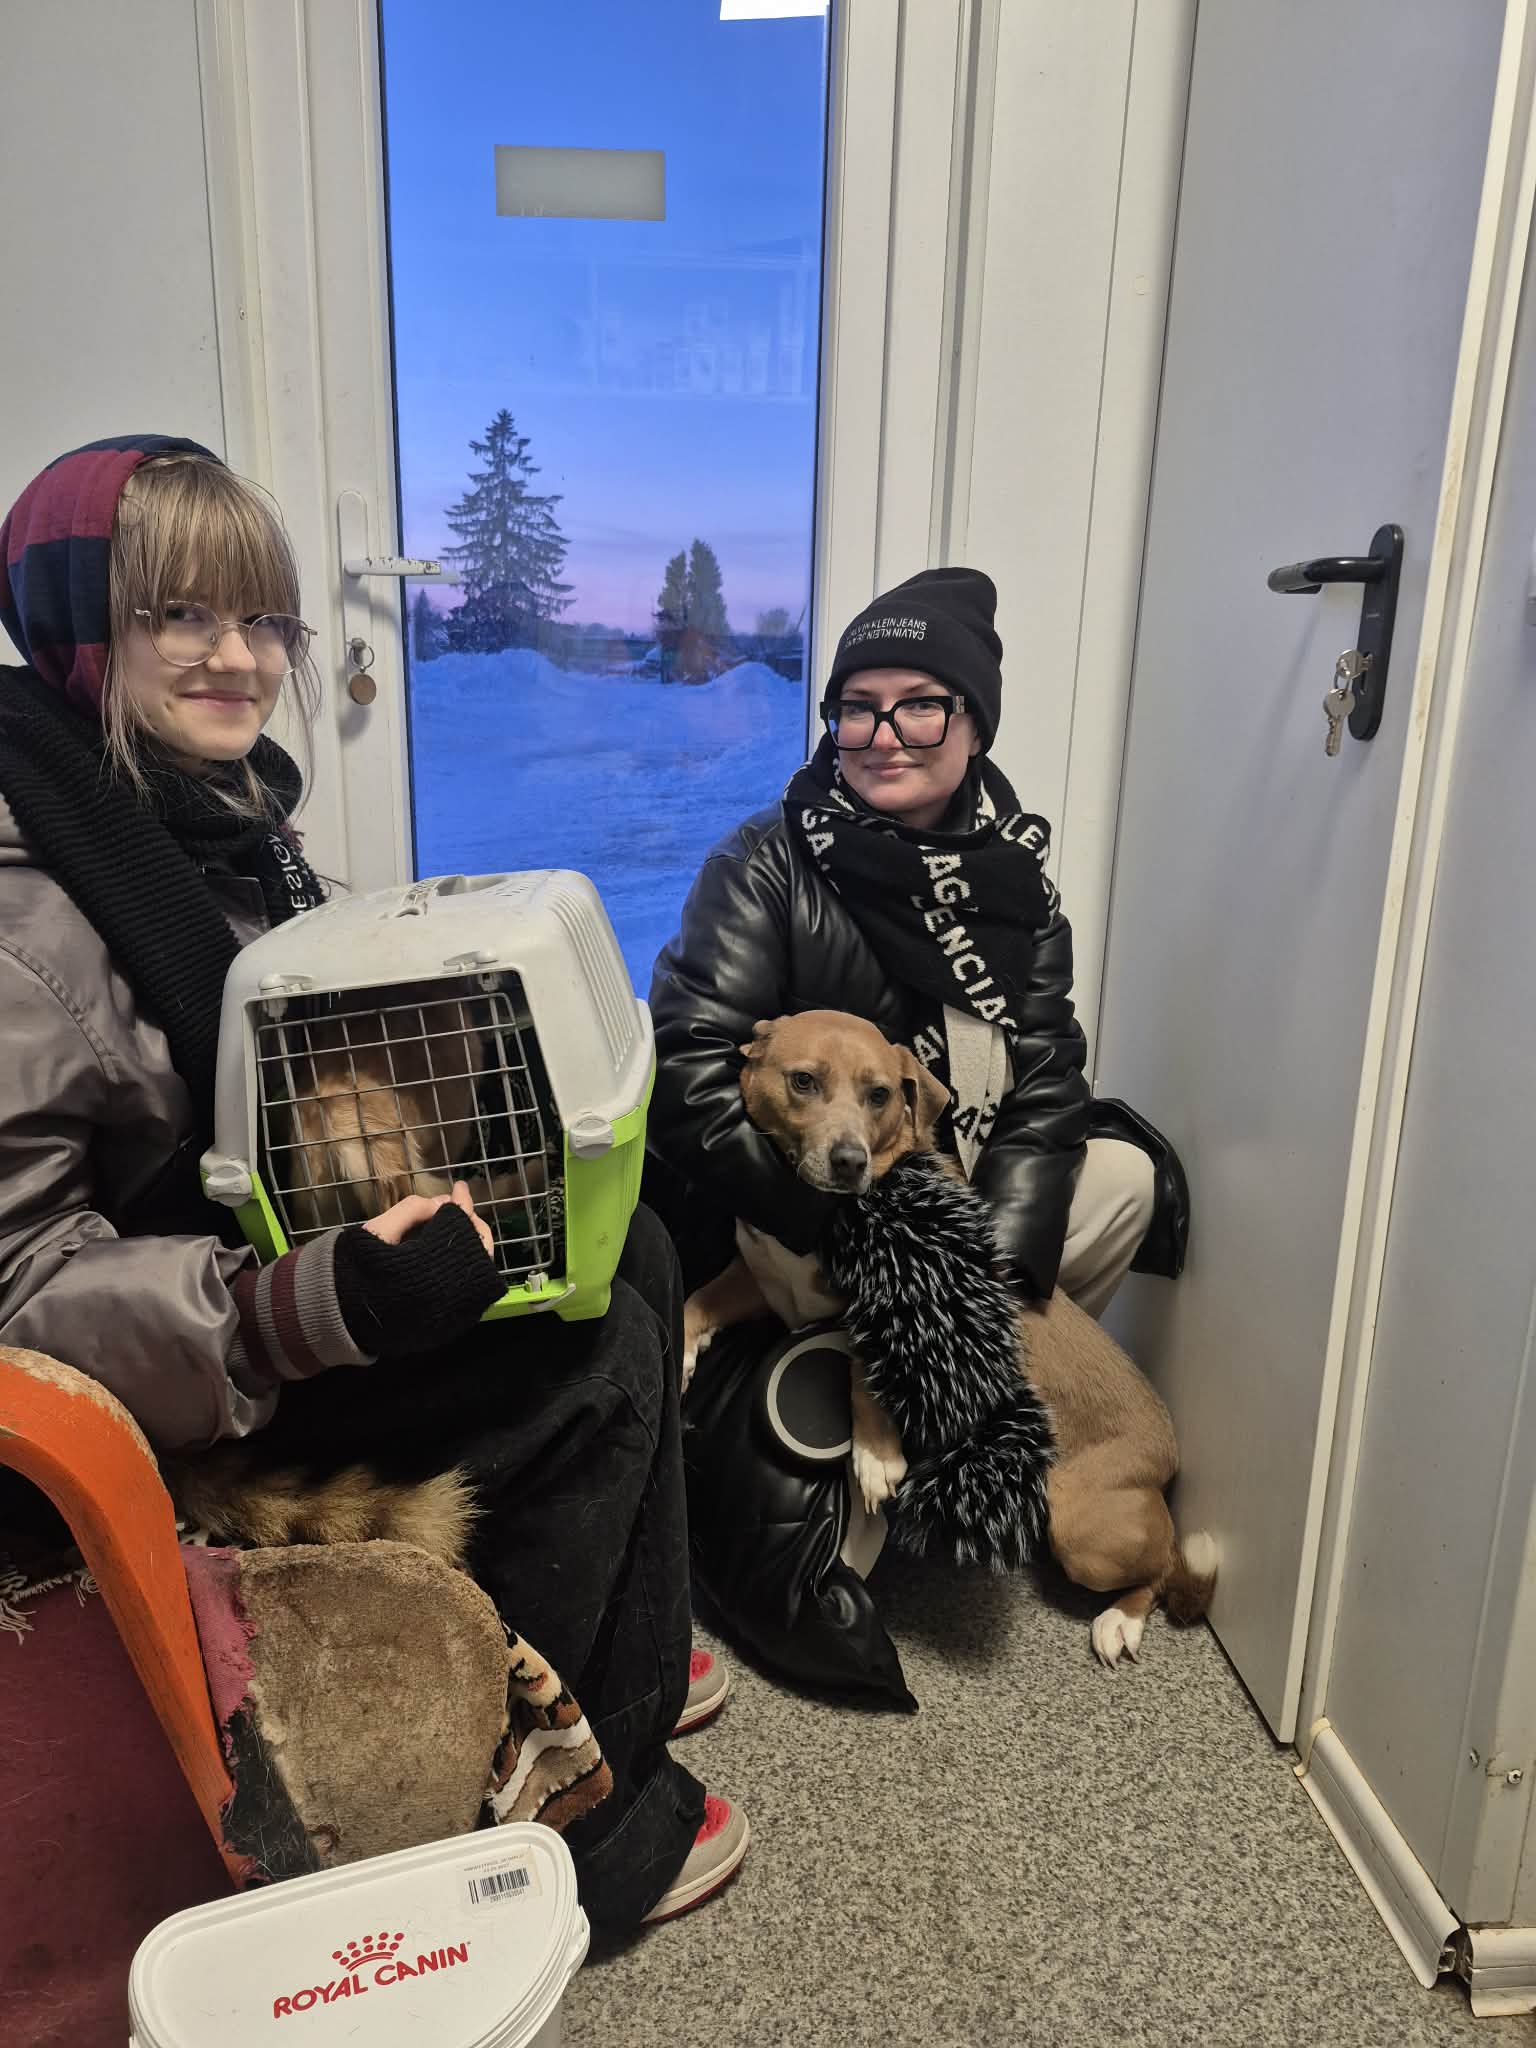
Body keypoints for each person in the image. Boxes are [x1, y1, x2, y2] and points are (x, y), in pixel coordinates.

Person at [0, 435, 746, 1932]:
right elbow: (19, 1292)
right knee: (591, 1359)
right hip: (193, 1367)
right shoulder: (30, 898)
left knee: (642, 1246)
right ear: (84, 626)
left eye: (262, 617)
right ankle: (565, 1831)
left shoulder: (202, 817)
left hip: (252, 1265)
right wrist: (300, 1305)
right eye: (180, 614)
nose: (240, 658)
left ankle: (620, 1649)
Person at [649, 566, 1154, 1316]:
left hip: (948, 1179)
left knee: (1127, 1182)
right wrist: (855, 1226)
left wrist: (985, 1261)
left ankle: (969, 1341)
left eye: (921, 706)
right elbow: (686, 1076)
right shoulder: (762, 866)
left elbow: (1047, 1086)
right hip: (799, 1199)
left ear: (975, 727)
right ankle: (831, 1339)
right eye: (859, 709)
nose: (884, 737)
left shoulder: (1019, 891)